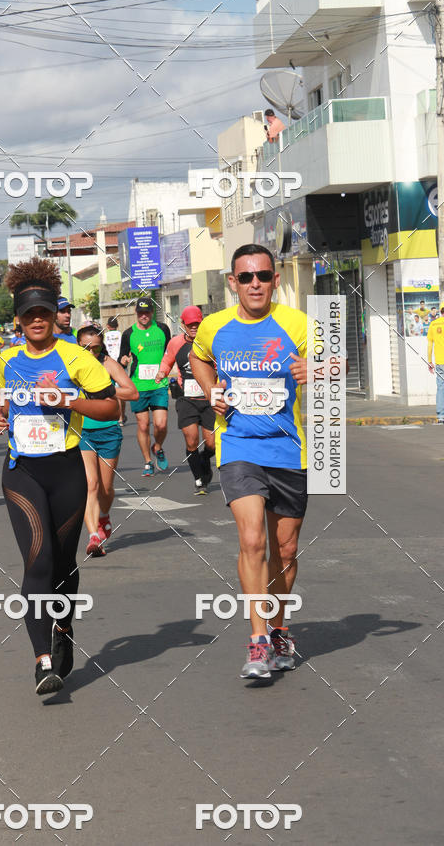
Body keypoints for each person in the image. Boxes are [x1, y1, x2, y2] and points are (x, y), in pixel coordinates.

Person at [0, 257, 119, 696]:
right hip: (21, 470)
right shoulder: (7, 359)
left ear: (53, 314)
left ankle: (63, 630)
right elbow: (3, 406)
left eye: (44, 312)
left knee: (63, 565)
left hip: (66, 470)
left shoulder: (76, 357)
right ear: (19, 320)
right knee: (38, 559)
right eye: (29, 314)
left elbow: (112, 407)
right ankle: (41, 659)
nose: (38, 320)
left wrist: (69, 403)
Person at [191, 243, 313, 680]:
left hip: (287, 449)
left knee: (285, 550)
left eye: (263, 275)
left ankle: (280, 629)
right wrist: (211, 391)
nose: (255, 283)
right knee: (252, 540)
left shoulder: (296, 324)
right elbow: (197, 357)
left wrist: (315, 371)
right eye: (246, 277)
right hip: (238, 447)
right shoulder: (214, 326)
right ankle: (259, 639)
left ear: (276, 279)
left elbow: (336, 362)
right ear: (233, 282)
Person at [77, 323, 138, 556]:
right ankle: (93, 537)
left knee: (106, 488)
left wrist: (105, 391)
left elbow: (132, 392)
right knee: (90, 485)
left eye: (95, 348)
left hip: (108, 430)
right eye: (85, 348)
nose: (90, 353)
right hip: (82, 430)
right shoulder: (72, 364)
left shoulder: (107, 364)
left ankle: (103, 515)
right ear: (78, 346)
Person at [156, 306, 215, 495]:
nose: (194, 328)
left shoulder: (211, 340)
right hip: (186, 399)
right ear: (183, 324)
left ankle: (205, 460)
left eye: (197, 324)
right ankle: (199, 479)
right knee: (191, 441)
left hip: (208, 398)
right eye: (190, 325)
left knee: (212, 443)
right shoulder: (175, 343)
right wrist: (162, 372)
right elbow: (167, 361)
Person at [119, 297, 171, 476]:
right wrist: (124, 360)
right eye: (140, 313)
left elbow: (169, 354)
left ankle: (157, 447)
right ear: (136, 313)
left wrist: (168, 370)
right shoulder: (128, 334)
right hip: (139, 386)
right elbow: (121, 357)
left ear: (152, 312)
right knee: (142, 425)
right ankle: (148, 461)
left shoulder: (163, 329)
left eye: (147, 312)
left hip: (159, 384)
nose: (144, 316)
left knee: (161, 424)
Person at [104, 317, 127, 424]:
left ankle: (118, 416)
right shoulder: (122, 335)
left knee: (113, 391)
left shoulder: (104, 337)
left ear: (108, 326)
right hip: (121, 365)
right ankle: (122, 416)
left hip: (108, 365)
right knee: (122, 391)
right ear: (117, 325)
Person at [427, 305, 444, 424]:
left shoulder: (433, 324)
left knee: (441, 387)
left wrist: (429, 361)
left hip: (439, 362)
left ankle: (441, 416)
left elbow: (430, 344)